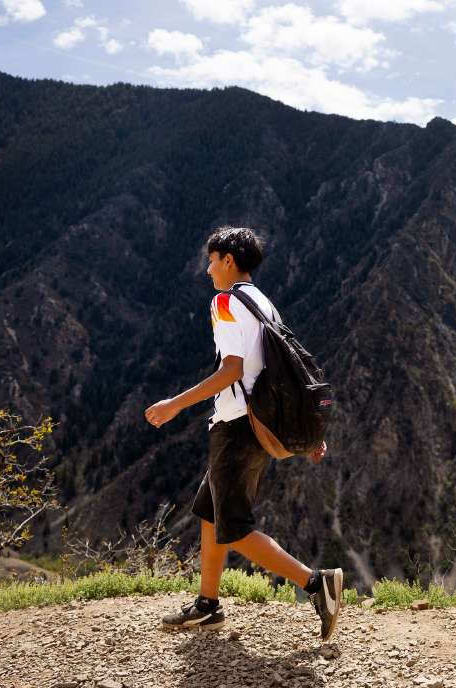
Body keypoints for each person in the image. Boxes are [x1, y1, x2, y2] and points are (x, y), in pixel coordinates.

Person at [144, 227, 343, 640]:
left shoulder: (226, 301)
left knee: (234, 525)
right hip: (260, 423)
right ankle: (207, 604)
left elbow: (231, 370)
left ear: (229, 260)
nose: (208, 268)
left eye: (212, 259)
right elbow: (289, 372)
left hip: (237, 426)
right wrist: (305, 432)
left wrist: (174, 404)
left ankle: (315, 584)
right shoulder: (263, 303)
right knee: (211, 511)